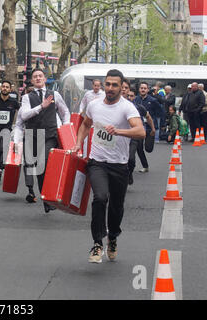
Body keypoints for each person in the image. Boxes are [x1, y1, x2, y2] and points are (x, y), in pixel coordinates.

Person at [72, 69, 145, 263]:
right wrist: (79, 142)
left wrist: (119, 131)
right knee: (100, 198)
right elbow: (86, 125)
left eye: (115, 85)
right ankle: (97, 243)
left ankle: (112, 236)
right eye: (108, 84)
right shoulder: (94, 105)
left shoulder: (127, 107)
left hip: (119, 165)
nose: (110, 88)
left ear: (122, 87)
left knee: (116, 207)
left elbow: (140, 131)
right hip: (97, 162)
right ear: (103, 85)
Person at [14, 68, 70, 213]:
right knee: (39, 168)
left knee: (43, 163)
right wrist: (41, 107)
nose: (38, 78)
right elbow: (24, 116)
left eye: (40, 76)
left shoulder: (55, 95)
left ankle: (48, 198)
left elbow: (65, 112)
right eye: (35, 77)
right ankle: (46, 199)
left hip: (51, 136)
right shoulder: (27, 97)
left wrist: (66, 129)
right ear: (32, 81)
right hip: (33, 136)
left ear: (45, 79)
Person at [124, 85, 155, 185]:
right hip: (122, 135)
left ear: (134, 97)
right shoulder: (120, 106)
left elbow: (149, 118)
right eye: (128, 96)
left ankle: (130, 172)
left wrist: (153, 129)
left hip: (135, 135)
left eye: (131, 96)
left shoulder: (138, 107)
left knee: (134, 155)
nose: (129, 98)